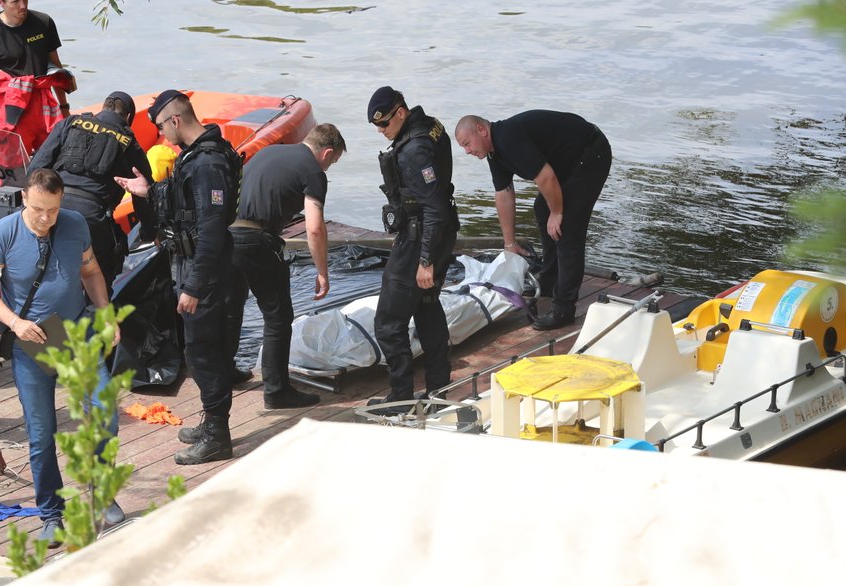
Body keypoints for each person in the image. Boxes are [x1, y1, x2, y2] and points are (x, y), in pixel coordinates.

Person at [0, 169, 124, 547]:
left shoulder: (75, 225)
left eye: (53, 210)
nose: (45, 218)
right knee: (41, 435)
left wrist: (105, 310)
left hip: (76, 332)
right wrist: (15, 323)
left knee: (105, 412)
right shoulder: (2, 234)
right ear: (25, 198)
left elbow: (90, 270)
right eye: (39, 209)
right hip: (33, 341)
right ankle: (51, 515)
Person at [115, 90, 241, 466]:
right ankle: (212, 423)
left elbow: (213, 227)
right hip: (191, 261)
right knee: (198, 350)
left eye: (159, 127)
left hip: (206, 269)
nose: (160, 137)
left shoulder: (207, 164)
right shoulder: (196, 156)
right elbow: (184, 206)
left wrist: (194, 287)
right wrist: (148, 192)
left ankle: (218, 435)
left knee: (204, 353)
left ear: (175, 120)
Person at [224, 124, 346, 410]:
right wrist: (322, 271)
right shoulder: (313, 171)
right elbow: (314, 228)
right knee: (278, 316)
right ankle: (277, 391)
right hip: (258, 240)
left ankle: (226, 371)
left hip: (229, 237)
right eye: (333, 162)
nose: (328, 168)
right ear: (326, 152)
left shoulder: (269, 152)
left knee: (231, 310)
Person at [454, 111, 612, 330]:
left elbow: (546, 177)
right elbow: (504, 193)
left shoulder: (509, 138)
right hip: (568, 159)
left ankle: (564, 308)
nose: (467, 151)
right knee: (541, 208)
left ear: (482, 130)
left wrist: (557, 213)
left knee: (567, 226)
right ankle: (549, 280)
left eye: (467, 144)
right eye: (463, 147)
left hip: (591, 152)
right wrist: (510, 244)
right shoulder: (494, 153)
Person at [365, 87, 459, 407]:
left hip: (421, 238)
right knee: (426, 306)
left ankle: (400, 397)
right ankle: (437, 390)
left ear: (400, 113)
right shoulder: (430, 125)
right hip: (439, 233)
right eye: (377, 127)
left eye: (384, 124)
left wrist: (425, 261)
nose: (381, 132)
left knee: (388, 322)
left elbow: (432, 207)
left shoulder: (414, 149)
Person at [28, 91, 155, 294]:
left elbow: (35, 170)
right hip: (93, 220)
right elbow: (145, 196)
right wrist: (151, 233)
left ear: (102, 109)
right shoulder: (130, 143)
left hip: (52, 211)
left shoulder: (70, 124)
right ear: (129, 118)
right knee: (105, 269)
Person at [0, 0, 73, 156]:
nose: (23, 6)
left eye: (25, 0)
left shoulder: (43, 22)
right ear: (0, 2)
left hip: (43, 104)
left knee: (55, 157)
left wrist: (64, 107)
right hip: (11, 108)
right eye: (15, 2)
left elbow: (56, 69)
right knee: (12, 164)